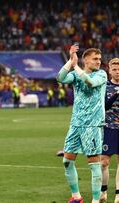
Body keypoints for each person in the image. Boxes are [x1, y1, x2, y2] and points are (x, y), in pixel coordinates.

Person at [57, 45, 107, 203]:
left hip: (93, 125)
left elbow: (90, 82)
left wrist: (76, 66)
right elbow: (60, 77)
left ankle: (95, 200)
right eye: (95, 59)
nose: (98, 62)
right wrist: (70, 62)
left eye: (99, 59)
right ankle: (77, 197)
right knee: (67, 161)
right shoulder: (75, 74)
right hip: (76, 124)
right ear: (86, 60)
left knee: (94, 164)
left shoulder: (101, 74)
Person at [100, 58, 119, 203]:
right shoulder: (105, 86)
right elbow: (104, 107)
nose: (117, 72)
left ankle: (118, 194)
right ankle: (103, 191)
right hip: (108, 127)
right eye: (114, 69)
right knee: (104, 162)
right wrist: (116, 94)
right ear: (109, 70)